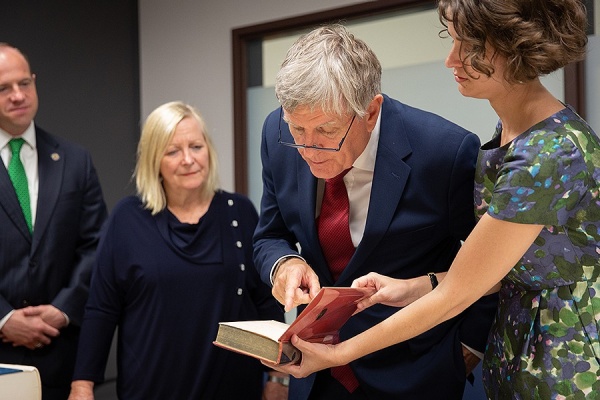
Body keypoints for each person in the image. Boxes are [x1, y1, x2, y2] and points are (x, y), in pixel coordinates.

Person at [271, 1, 600, 399]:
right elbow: (492, 273)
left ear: (517, 48)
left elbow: (456, 294)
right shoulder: (513, 133)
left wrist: (340, 352)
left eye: (468, 46)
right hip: (516, 350)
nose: (450, 60)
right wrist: (410, 287)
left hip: (560, 362)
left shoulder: (549, 152)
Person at [253, 24, 498, 400]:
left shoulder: (444, 153)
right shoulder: (276, 133)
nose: (308, 149)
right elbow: (270, 235)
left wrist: (468, 348)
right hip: (315, 372)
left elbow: (495, 266)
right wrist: (284, 264)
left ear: (371, 111)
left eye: (326, 131)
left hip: (415, 372)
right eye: (297, 129)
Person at [67, 101, 288, 400]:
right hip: (150, 388)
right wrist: (82, 385)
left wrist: (278, 378)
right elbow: (102, 309)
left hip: (232, 387)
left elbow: (266, 305)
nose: (188, 159)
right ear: (154, 160)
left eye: (196, 146)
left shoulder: (239, 212)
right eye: (173, 151)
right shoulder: (127, 219)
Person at [0, 43, 108, 399]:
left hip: (61, 357)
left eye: (24, 83)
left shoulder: (75, 160)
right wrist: (3, 319)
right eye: (3, 88)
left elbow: (95, 246)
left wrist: (63, 309)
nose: (18, 95)